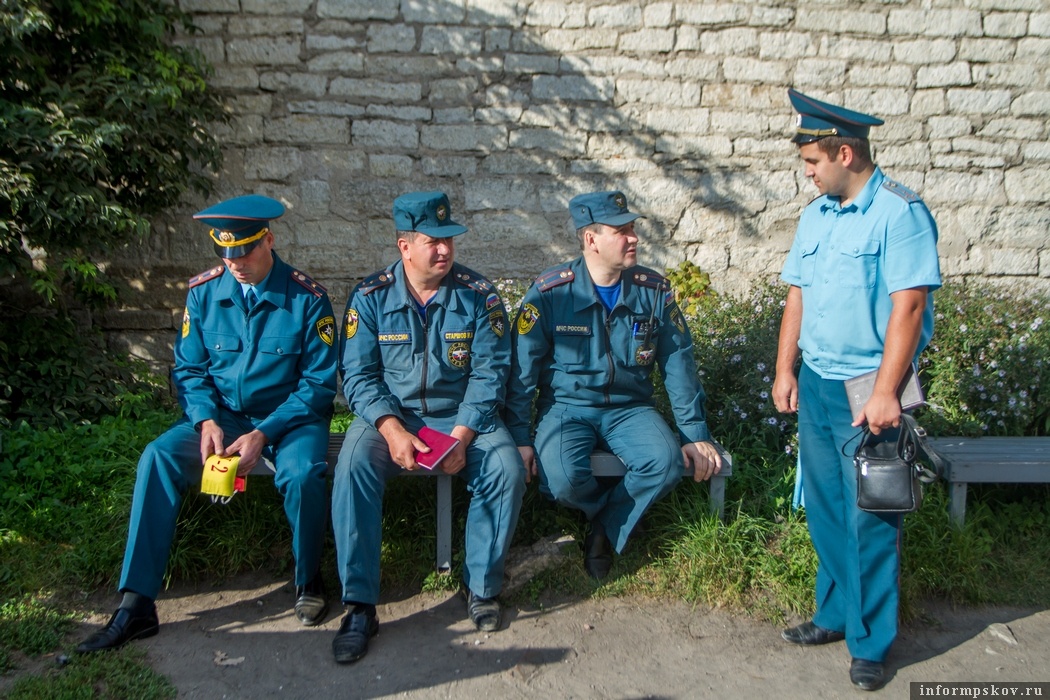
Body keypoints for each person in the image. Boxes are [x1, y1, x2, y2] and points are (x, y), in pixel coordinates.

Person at [76, 194, 339, 653]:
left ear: (269, 240)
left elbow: (318, 385)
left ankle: (308, 578)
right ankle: (136, 603)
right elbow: (190, 370)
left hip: (289, 420)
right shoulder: (203, 292)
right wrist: (204, 420)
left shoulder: (307, 298)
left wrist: (264, 433)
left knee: (302, 474)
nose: (235, 262)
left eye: (245, 250)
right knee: (157, 457)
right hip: (223, 418)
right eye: (225, 251)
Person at [772, 89, 942, 691]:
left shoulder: (901, 213)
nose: (809, 174)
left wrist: (888, 392)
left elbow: (911, 305)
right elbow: (797, 293)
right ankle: (835, 614)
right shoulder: (816, 215)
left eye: (814, 163)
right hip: (816, 383)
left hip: (869, 389)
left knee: (871, 514)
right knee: (823, 506)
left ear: (845, 152)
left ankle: (870, 642)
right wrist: (784, 368)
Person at [331, 191, 525, 664]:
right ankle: (359, 605)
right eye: (432, 241)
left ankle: (481, 587)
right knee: (353, 466)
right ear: (404, 246)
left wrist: (463, 436)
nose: (444, 250)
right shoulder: (370, 296)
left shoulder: (479, 297)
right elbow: (358, 375)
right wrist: (393, 430)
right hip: (390, 417)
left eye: (449, 240)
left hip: (461, 416)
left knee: (505, 468)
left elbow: (490, 373)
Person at [505, 190, 722, 580]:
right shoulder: (552, 293)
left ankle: (603, 528)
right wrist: (520, 436)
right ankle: (605, 515)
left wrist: (693, 433)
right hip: (567, 408)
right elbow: (522, 371)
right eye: (621, 231)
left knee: (666, 462)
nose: (634, 237)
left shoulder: (652, 291)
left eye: (633, 228)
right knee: (562, 477)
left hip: (630, 408)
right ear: (591, 239)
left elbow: (678, 363)